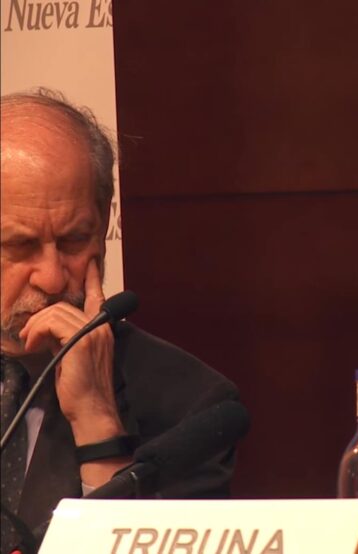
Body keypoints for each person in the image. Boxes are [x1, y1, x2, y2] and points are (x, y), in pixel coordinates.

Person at [0, 90, 239, 553]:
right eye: (20, 246)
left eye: (74, 240)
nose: (52, 278)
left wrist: (97, 421)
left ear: (104, 221)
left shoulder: (191, 405)